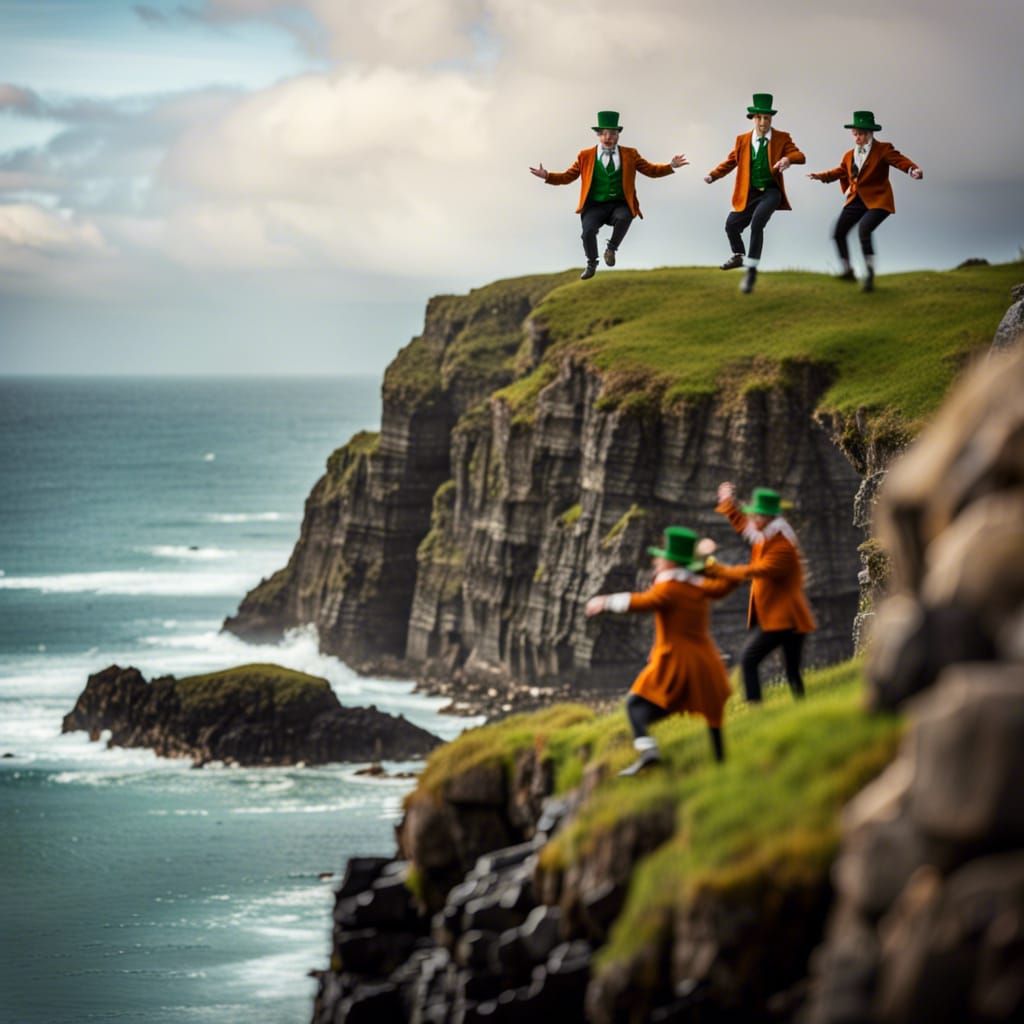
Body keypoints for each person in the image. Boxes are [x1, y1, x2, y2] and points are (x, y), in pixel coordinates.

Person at [585, 526, 738, 775]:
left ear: (671, 562)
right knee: (711, 711)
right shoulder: (699, 586)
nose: (657, 560)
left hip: (676, 661)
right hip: (705, 659)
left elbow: (645, 601)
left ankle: (649, 751)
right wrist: (705, 560)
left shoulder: (671, 589)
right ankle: (722, 762)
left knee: (635, 704)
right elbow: (728, 582)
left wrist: (605, 602)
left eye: (662, 557)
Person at [530, 110, 688, 280]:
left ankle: (611, 249)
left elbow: (650, 170)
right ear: (598, 135)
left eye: (612, 133)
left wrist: (670, 166)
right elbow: (568, 176)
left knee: (626, 215)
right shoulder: (585, 156)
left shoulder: (630, 154)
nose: (608, 137)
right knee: (587, 232)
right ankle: (592, 263)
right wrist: (547, 176)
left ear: (618, 135)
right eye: (604, 133)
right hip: (594, 205)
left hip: (619, 203)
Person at [705, 483, 816, 705]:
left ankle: (756, 708)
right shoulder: (767, 535)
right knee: (792, 670)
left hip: (784, 619)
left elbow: (755, 570)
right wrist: (728, 503)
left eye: (757, 515)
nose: (753, 518)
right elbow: (744, 527)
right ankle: (802, 705)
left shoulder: (782, 547)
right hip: (785, 618)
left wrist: (717, 569)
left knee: (749, 660)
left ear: (767, 517)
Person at [807, 110, 923, 292]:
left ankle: (869, 273)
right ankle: (847, 271)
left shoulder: (883, 149)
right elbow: (840, 171)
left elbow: (899, 160)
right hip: (856, 199)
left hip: (878, 200)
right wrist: (821, 176)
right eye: (855, 133)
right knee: (838, 232)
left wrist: (912, 170)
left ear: (870, 133)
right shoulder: (849, 155)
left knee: (864, 229)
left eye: (861, 133)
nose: (858, 137)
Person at [704, 93, 805, 294]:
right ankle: (739, 255)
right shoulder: (742, 140)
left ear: (771, 120)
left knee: (758, 222)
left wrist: (787, 160)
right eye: (759, 117)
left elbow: (800, 155)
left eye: (767, 118)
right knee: (731, 225)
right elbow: (731, 161)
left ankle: (750, 272)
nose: (763, 122)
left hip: (771, 192)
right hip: (750, 192)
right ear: (753, 118)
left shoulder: (781, 138)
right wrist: (713, 175)